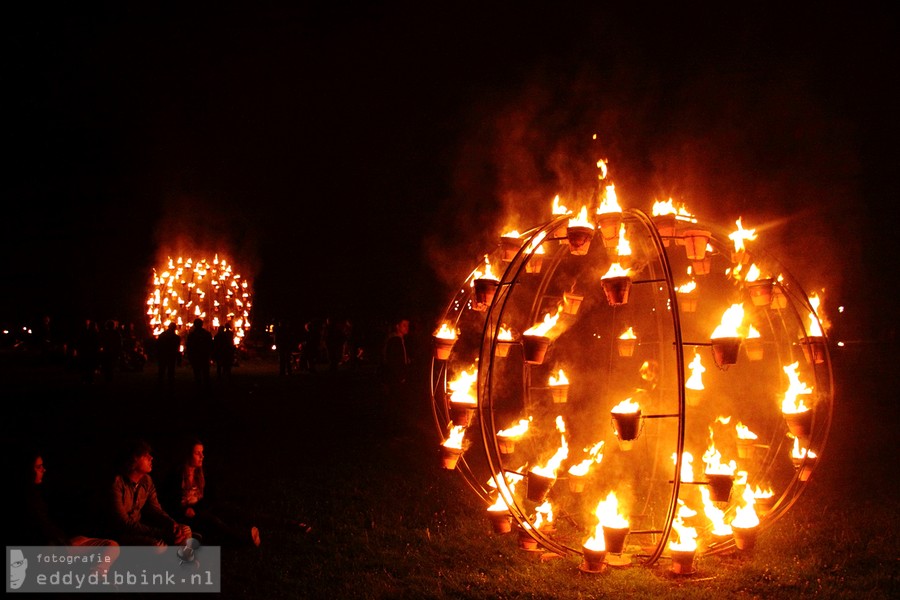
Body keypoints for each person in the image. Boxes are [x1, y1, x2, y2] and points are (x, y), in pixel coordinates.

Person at [7, 448, 119, 577]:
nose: (44, 470)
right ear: (26, 471)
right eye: (38, 467)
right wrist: (63, 544)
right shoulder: (26, 500)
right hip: (46, 552)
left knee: (84, 539)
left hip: (54, 545)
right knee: (111, 545)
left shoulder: (32, 495)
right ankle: (96, 577)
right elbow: (40, 532)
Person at [163, 438, 260, 547]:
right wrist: (184, 510)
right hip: (185, 516)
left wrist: (198, 508)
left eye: (202, 452)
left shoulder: (201, 473)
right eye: (197, 453)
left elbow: (211, 497)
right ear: (188, 455)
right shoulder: (177, 475)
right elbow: (169, 502)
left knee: (223, 509)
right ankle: (243, 539)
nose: (202, 456)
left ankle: (250, 525)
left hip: (198, 508)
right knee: (212, 521)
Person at [106, 439, 192, 548]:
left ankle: (184, 561)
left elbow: (156, 509)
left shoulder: (146, 481)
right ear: (133, 459)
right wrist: (161, 533)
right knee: (157, 545)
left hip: (138, 529)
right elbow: (123, 524)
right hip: (120, 534)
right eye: (145, 456)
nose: (151, 458)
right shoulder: (116, 483)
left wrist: (172, 524)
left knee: (185, 530)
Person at [382, 317, 411, 391]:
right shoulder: (394, 341)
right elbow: (393, 360)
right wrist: (401, 377)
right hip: (395, 378)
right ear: (397, 326)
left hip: (400, 377)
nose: (407, 327)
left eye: (407, 325)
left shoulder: (401, 340)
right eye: (404, 325)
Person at [185, 318, 213, 389]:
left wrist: (189, 356)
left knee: (198, 373)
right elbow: (210, 345)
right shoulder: (206, 334)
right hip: (203, 356)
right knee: (205, 373)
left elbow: (189, 346)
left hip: (197, 356)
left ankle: (199, 387)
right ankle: (205, 388)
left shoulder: (192, 335)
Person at [156, 322, 181, 390]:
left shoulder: (162, 335)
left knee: (162, 371)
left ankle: (161, 385)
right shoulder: (176, 337)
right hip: (170, 355)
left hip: (164, 355)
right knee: (170, 371)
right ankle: (169, 385)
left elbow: (158, 345)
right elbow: (177, 348)